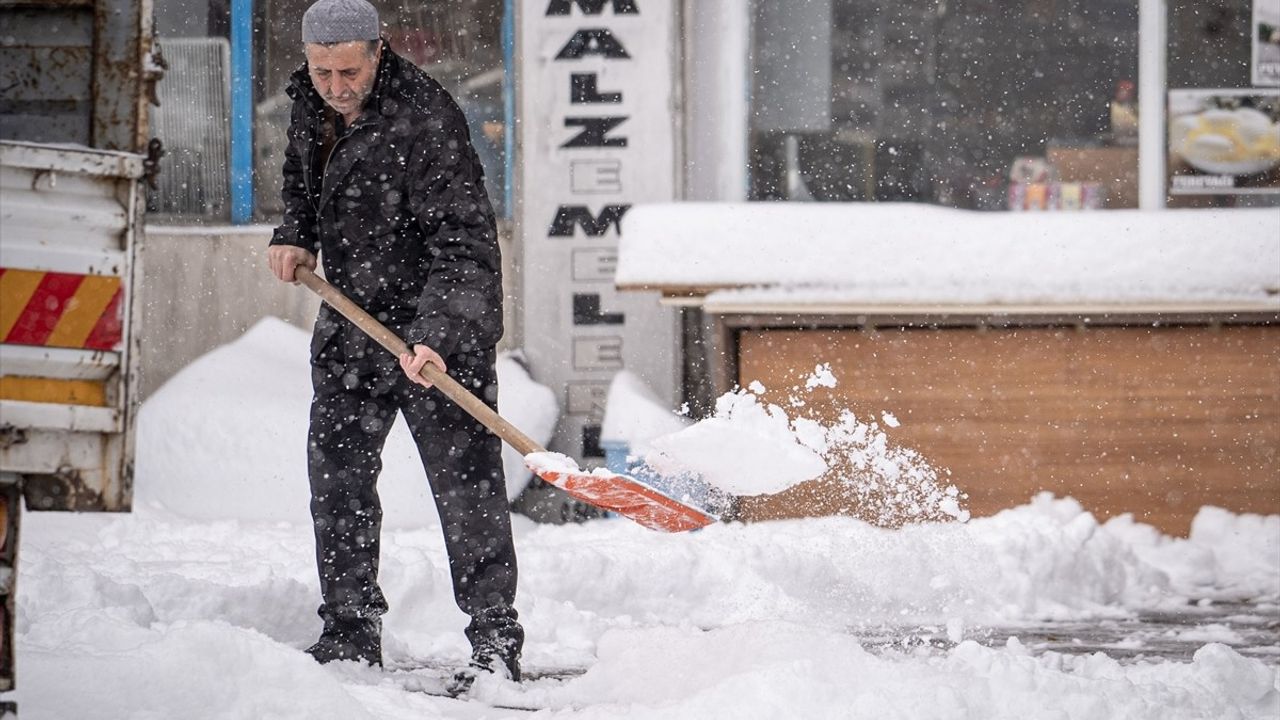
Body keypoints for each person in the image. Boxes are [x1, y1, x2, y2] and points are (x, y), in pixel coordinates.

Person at [266, 0, 522, 689]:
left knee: (466, 490)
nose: (336, 86)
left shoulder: (427, 120)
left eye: (348, 71)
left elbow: (466, 245)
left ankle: (495, 642)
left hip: (436, 331)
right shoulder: (310, 103)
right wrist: (294, 233)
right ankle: (349, 632)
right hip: (353, 324)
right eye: (322, 72)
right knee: (338, 482)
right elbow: (300, 181)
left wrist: (435, 337)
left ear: (378, 52)